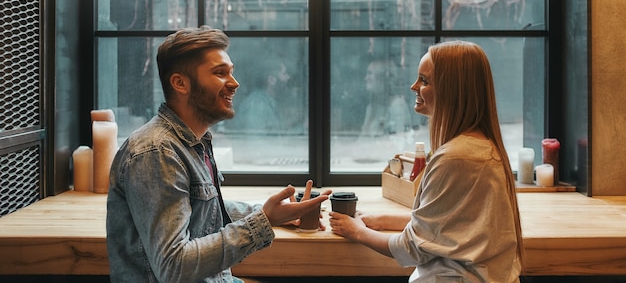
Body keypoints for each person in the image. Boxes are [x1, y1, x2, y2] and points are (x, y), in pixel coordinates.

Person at [106, 26, 330, 283]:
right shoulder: (156, 152)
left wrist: (272, 213)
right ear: (180, 83)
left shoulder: (193, 141)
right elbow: (173, 266)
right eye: (220, 73)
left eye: (231, 72)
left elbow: (200, 208)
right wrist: (263, 221)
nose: (235, 84)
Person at [329, 41, 524, 282]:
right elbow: (446, 225)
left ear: (452, 89)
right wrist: (378, 220)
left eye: (424, 81)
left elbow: (412, 248)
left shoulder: (455, 157)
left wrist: (357, 232)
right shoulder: (480, 148)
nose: (414, 86)